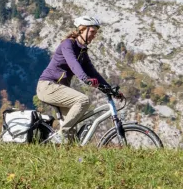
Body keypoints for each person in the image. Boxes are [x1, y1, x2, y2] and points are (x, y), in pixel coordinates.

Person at [36, 16, 122, 144]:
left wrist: (110, 90)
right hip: (47, 86)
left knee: (71, 137)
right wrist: (85, 79)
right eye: (92, 32)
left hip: (59, 89)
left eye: (96, 33)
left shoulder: (83, 52)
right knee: (83, 100)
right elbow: (73, 63)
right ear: (82, 30)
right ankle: (61, 133)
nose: (94, 36)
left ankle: (59, 151)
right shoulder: (67, 44)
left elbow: (93, 73)